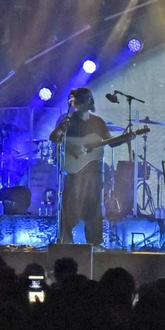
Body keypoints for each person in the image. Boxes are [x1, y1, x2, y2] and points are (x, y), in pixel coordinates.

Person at [48, 87, 111, 246]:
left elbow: (109, 141)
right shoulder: (69, 120)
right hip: (74, 172)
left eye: (87, 99)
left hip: (93, 173)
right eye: (80, 101)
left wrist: (127, 138)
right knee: (69, 206)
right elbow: (53, 137)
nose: (80, 104)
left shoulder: (98, 122)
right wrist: (70, 148)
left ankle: (94, 245)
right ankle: (66, 241)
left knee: (94, 208)